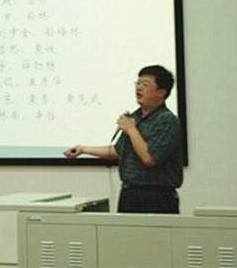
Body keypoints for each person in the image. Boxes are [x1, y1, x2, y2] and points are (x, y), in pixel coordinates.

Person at [63, 65, 183, 213]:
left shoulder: (167, 120)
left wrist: (131, 130)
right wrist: (83, 149)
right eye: (138, 83)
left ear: (161, 92)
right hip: (129, 193)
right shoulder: (134, 117)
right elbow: (118, 151)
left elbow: (149, 158)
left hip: (157, 196)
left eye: (145, 84)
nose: (139, 88)